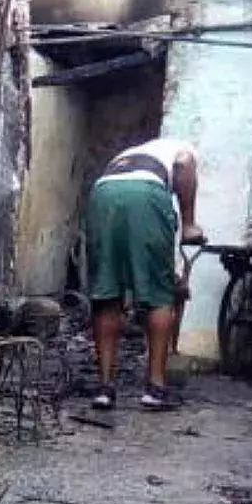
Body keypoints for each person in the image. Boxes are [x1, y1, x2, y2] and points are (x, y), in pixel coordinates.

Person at [81, 138, 204, 411]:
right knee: (159, 295)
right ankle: (155, 389)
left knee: (106, 293)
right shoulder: (185, 149)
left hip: (102, 195)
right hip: (146, 196)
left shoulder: (133, 153)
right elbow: (184, 164)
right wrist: (189, 224)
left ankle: (104, 389)